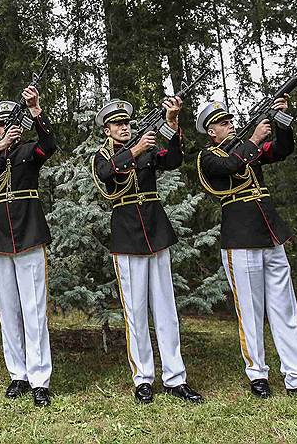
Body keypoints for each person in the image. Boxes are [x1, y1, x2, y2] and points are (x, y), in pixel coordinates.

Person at [195, 98, 297, 405]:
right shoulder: (209, 155)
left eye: (229, 119)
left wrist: (281, 122)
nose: (228, 124)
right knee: (250, 311)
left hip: (270, 233)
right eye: (221, 123)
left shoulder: (248, 148)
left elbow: (281, 150)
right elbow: (227, 166)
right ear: (211, 133)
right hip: (241, 238)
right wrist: (254, 139)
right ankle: (257, 374)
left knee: (285, 310)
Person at [91, 97, 204, 404]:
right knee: (136, 312)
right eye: (117, 124)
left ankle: (175, 377)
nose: (123, 127)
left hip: (155, 230)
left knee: (166, 309)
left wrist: (171, 124)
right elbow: (105, 176)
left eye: (126, 122)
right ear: (107, 130)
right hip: (127, 235)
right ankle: (143, 378)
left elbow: (172, 160)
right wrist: (135, 151)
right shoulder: (103, 156)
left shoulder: (147, 146)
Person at [0, 86, 56, 407]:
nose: (9, 128)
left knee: (34, 311)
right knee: (8, 312)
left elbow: (50, 144)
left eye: (13, 124)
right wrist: (0, 145)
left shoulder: (30, 152)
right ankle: (18, 374)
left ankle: (40, 379)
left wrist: (35, 109)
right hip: (1, 238)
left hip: (29, 233)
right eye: (4, 125)